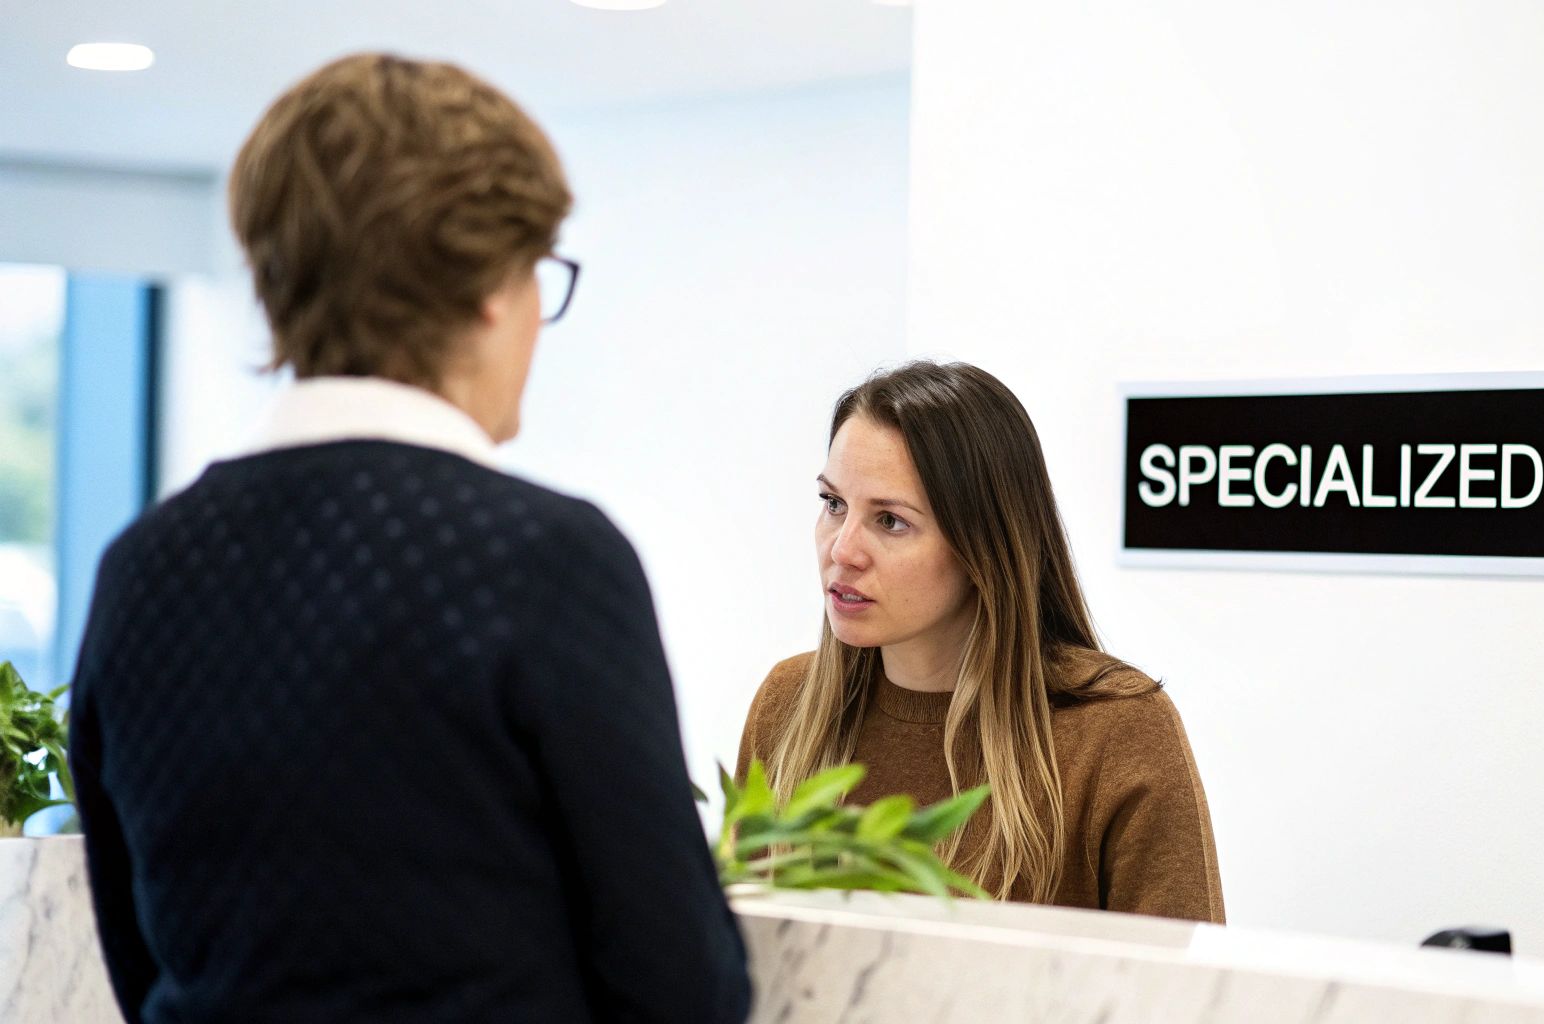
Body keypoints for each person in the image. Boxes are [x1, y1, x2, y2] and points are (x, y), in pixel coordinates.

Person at [68, 53, 749, 1023]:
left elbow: (142, 964)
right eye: (535, 276)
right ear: (485, 288)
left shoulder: (140, 570)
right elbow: (680, 982)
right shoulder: (546, 560)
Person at [739, 361, 1223, 920]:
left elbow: (1184, 996)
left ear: (981, 547)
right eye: (833, 504)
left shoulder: (1116, 731)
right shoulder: (787, 703)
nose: (842, 550)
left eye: (891, 521)